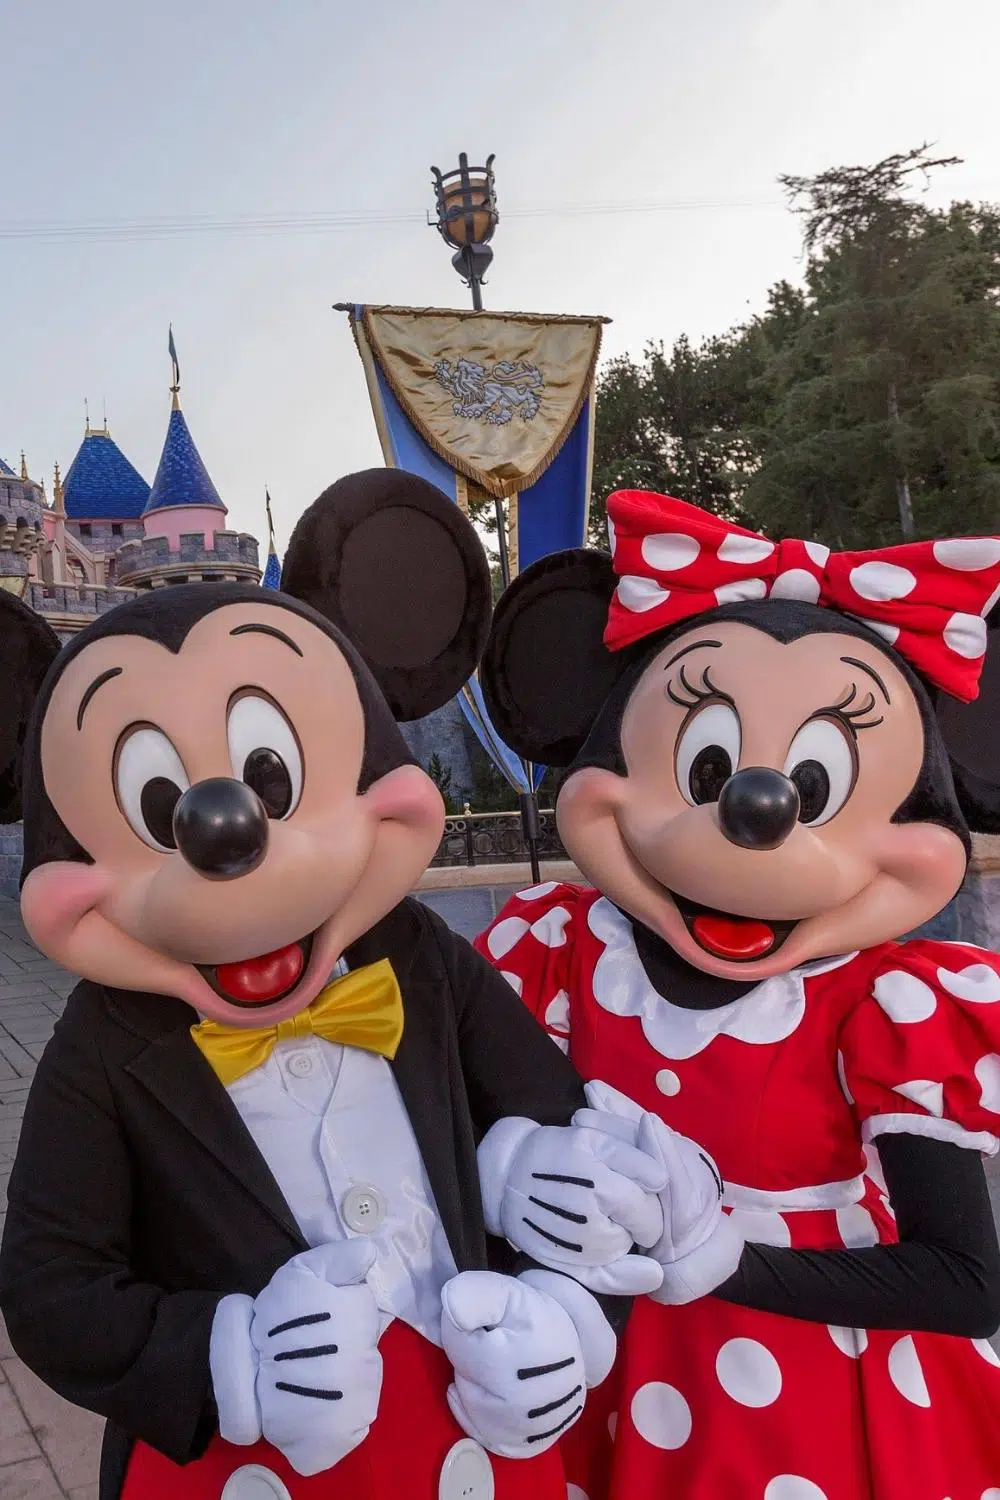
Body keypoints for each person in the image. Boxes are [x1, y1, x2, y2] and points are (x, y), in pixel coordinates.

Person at [0, 471, 671, 1500]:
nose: (225, 832)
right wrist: (227, 1352)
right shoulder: (108, 1041)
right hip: (248, 1468)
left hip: (474, 1434)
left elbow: (572, 1152)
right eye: (160, 806)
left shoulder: (421, 960)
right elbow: (51, 1291)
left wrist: (567, 1312)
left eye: (266, 779)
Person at [474, 488, 1000, 1499]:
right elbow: (473, 1114)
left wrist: (727, 1258)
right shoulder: (557, 948)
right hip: (596, 1360)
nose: (755, 810)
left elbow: (964, 1282)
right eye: (709, 765)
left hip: (807, 1398)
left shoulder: (892, 1001)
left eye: (811, 782)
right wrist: (510, 1169)